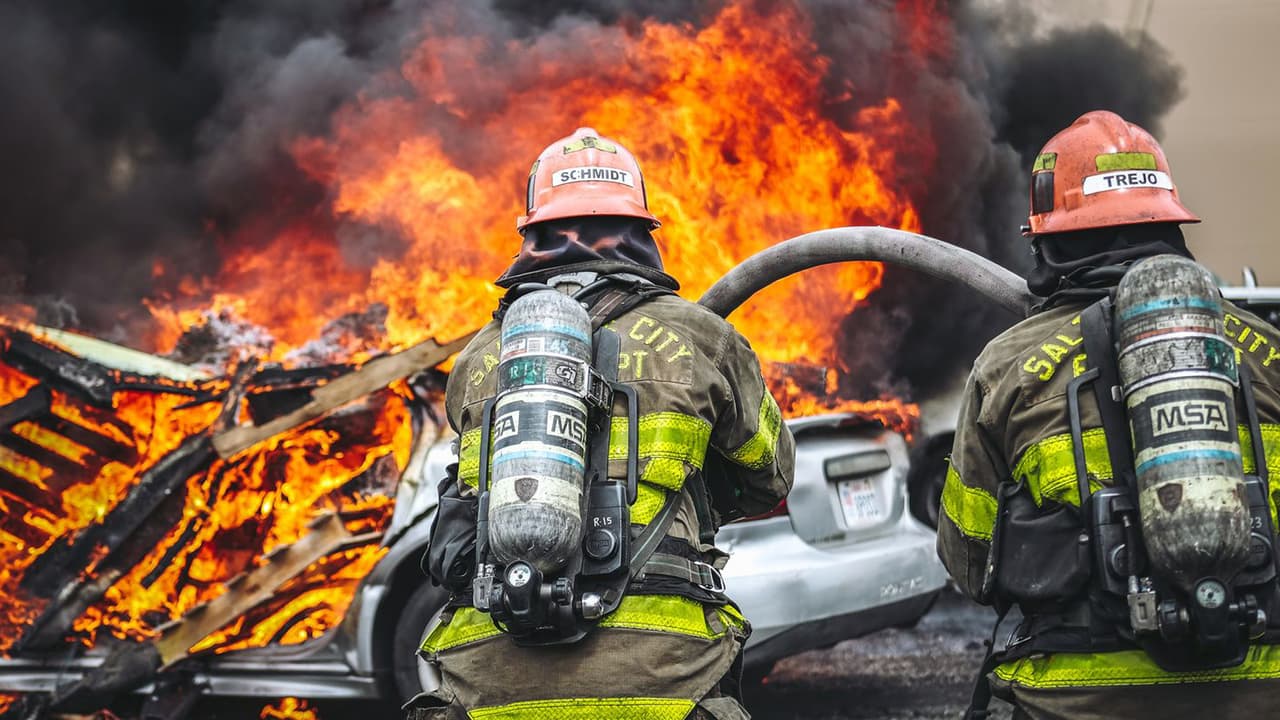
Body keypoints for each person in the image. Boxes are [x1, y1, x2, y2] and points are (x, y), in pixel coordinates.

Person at [407, 127, 795, 720]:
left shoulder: (480, 357)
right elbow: (769, 478)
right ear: (640, 234)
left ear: (532, 235)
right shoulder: (702, 337)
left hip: (490, 678)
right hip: (664, 674)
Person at [938, 110, 1280, 719]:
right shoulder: (1266, 350)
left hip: (1076, 697)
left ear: (1049, 236)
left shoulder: (1007, 367)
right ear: (1169, 222)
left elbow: (970, 561)